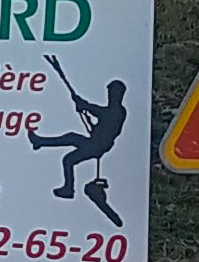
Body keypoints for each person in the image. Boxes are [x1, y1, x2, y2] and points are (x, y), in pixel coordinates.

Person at [30, 61, 129, 207]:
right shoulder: (114, 111)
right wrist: (84, 107)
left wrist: (82, 103)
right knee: (69, 154)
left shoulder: (117, 111)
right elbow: (98, 114)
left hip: (98, 145)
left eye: (112, 93)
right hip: (97, 142)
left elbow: (98, 111)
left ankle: (41, 143)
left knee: (71, 144)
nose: (110, 96)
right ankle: (68, 188)